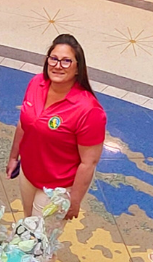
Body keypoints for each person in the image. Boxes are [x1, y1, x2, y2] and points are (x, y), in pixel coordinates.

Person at [7, 34, 106, 220]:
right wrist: (14, 157)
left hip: (58, 187)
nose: (58, 65)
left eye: (66, 61)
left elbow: (88, 162)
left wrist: (74, 200)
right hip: (29, 174)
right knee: (28, 230)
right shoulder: (36, 83)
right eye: (53, 59)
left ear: (78, 68)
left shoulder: (88, 109)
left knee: (38, 242)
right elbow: (24, 123)